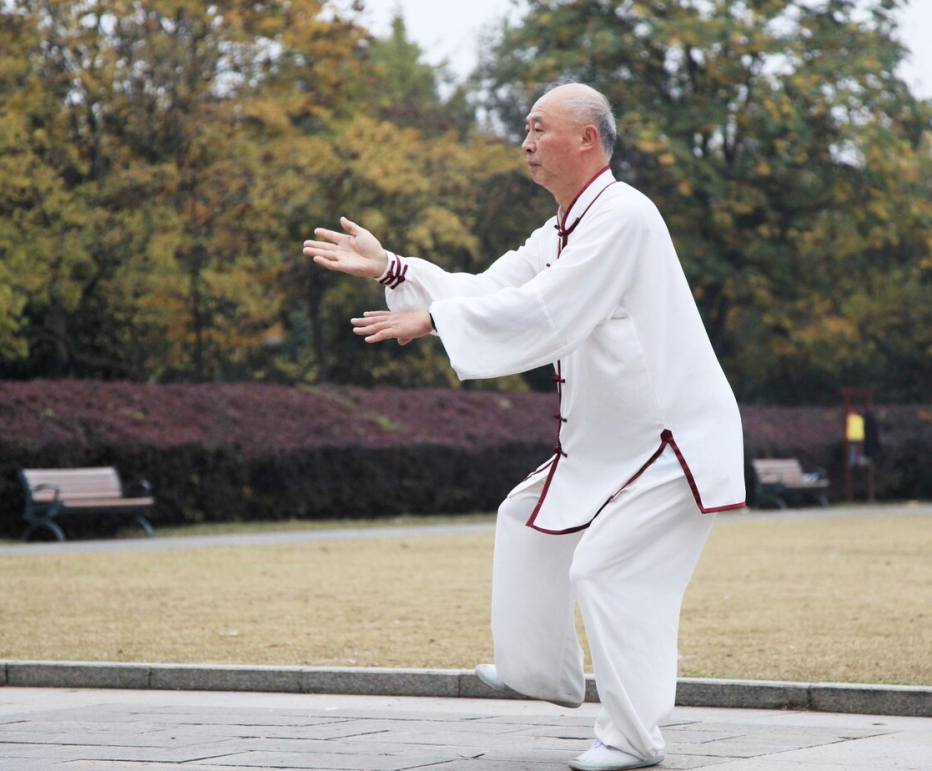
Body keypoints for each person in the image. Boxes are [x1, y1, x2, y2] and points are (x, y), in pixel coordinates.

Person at [303, 82, 745, 771]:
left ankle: (634, 737)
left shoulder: (625, 215)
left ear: (587, 139)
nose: (527, 143)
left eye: (540, 129)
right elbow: (498, 288)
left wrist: (435, 319)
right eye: (526, 130)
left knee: (607, 571)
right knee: (526, 518)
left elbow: (551, 309)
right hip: (624, 445)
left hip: (674, 442)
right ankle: (544, 673)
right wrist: (396, 269)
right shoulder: (564, 226)